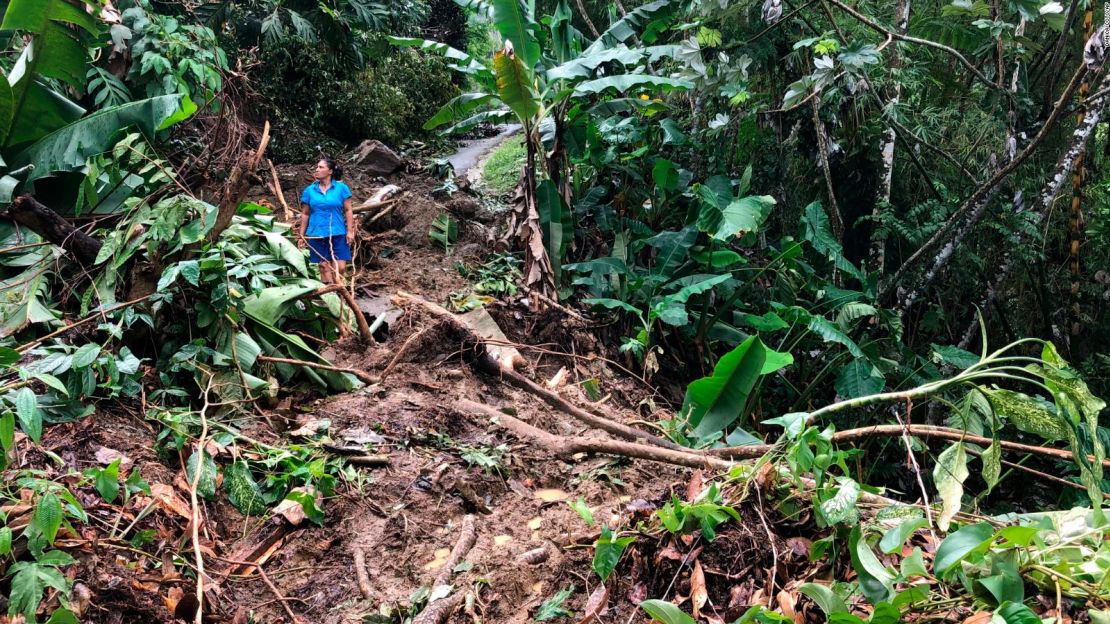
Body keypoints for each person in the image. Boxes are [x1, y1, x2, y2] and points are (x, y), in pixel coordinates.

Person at [297, 158, 355, 284]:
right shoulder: (310, 190)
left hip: (338, 232)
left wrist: (350, 231)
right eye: (317, 167)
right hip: (316, 233)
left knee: (340, 267)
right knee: (323, 266)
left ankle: (338, 288)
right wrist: (301, 235)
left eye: (321, 167)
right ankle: (330, 295)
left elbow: (348, 210)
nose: (317, 170)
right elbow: (305, 214)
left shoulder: (341, 188)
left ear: (330, 171)